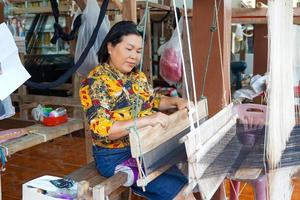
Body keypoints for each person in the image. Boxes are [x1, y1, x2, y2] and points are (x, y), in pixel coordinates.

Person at [80, 21, 195, 200]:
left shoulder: (137, 77)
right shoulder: (96, 81)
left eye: (139, 51)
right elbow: (105, 130)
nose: (134, 56)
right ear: (110, 47)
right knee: (179, 194)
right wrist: (147, 120)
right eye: (129, 49)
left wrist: (176, 101)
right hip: (115, 156)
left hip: (146, 148)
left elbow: (153, 100)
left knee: (185, 187)